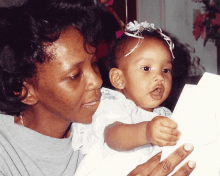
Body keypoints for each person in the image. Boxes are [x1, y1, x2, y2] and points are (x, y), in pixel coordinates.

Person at [0, 0, 195, 175]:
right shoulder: (5, 153)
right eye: (74, 75)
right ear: (25, 91)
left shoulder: (94, 121)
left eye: (93, 63)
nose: (97, 81)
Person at [72, 21, 192, 176]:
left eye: (165, 70)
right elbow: (113, 136)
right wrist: (146, 132)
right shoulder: (114, 104)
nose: (159, 77)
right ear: (119, 79)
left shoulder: (164, 115)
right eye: (146, 68)